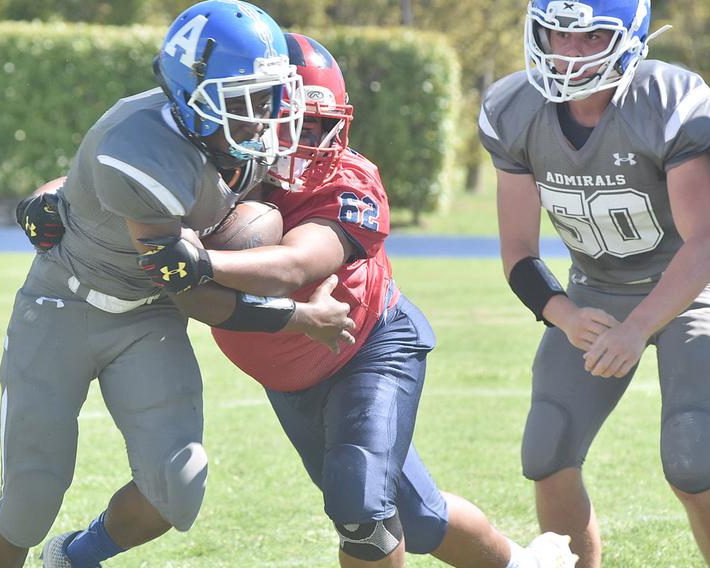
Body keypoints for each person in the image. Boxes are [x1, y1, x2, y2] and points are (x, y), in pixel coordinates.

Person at [36, 32, 578, 567]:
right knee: (416, 516)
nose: (301, 142)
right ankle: (526, 564)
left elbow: (293, 265)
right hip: (289, 371)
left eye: (318, 126)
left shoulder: (353, 185)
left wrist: (199, 262)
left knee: (361, 510)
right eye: (291, 125)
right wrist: (52, 196)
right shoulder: (218, 156)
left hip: (365, 347)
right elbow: (116, 169)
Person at [0, 3, 359, 567]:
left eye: (271, 95)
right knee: (30, 499)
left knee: (178, 487)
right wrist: (300, 318)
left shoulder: (248, 141)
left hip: (145, 313)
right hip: (64, 304)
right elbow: (195, 293)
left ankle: (74, 556)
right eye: (246, 98)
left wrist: (53, 192)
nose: (265, 116)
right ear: (192, 92)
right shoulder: (139, 145)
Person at [478, 0, 710, 565]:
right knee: (547, 448)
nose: (568, 53)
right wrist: (566, 315)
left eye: (589, 38)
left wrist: (636, 329)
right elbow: (518, 251)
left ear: (629, 39)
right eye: (556, 35)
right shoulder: (514, 109)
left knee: (694, 455)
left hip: (690, 290)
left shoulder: (668, 104)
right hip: (596, 287)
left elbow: (704, 241)